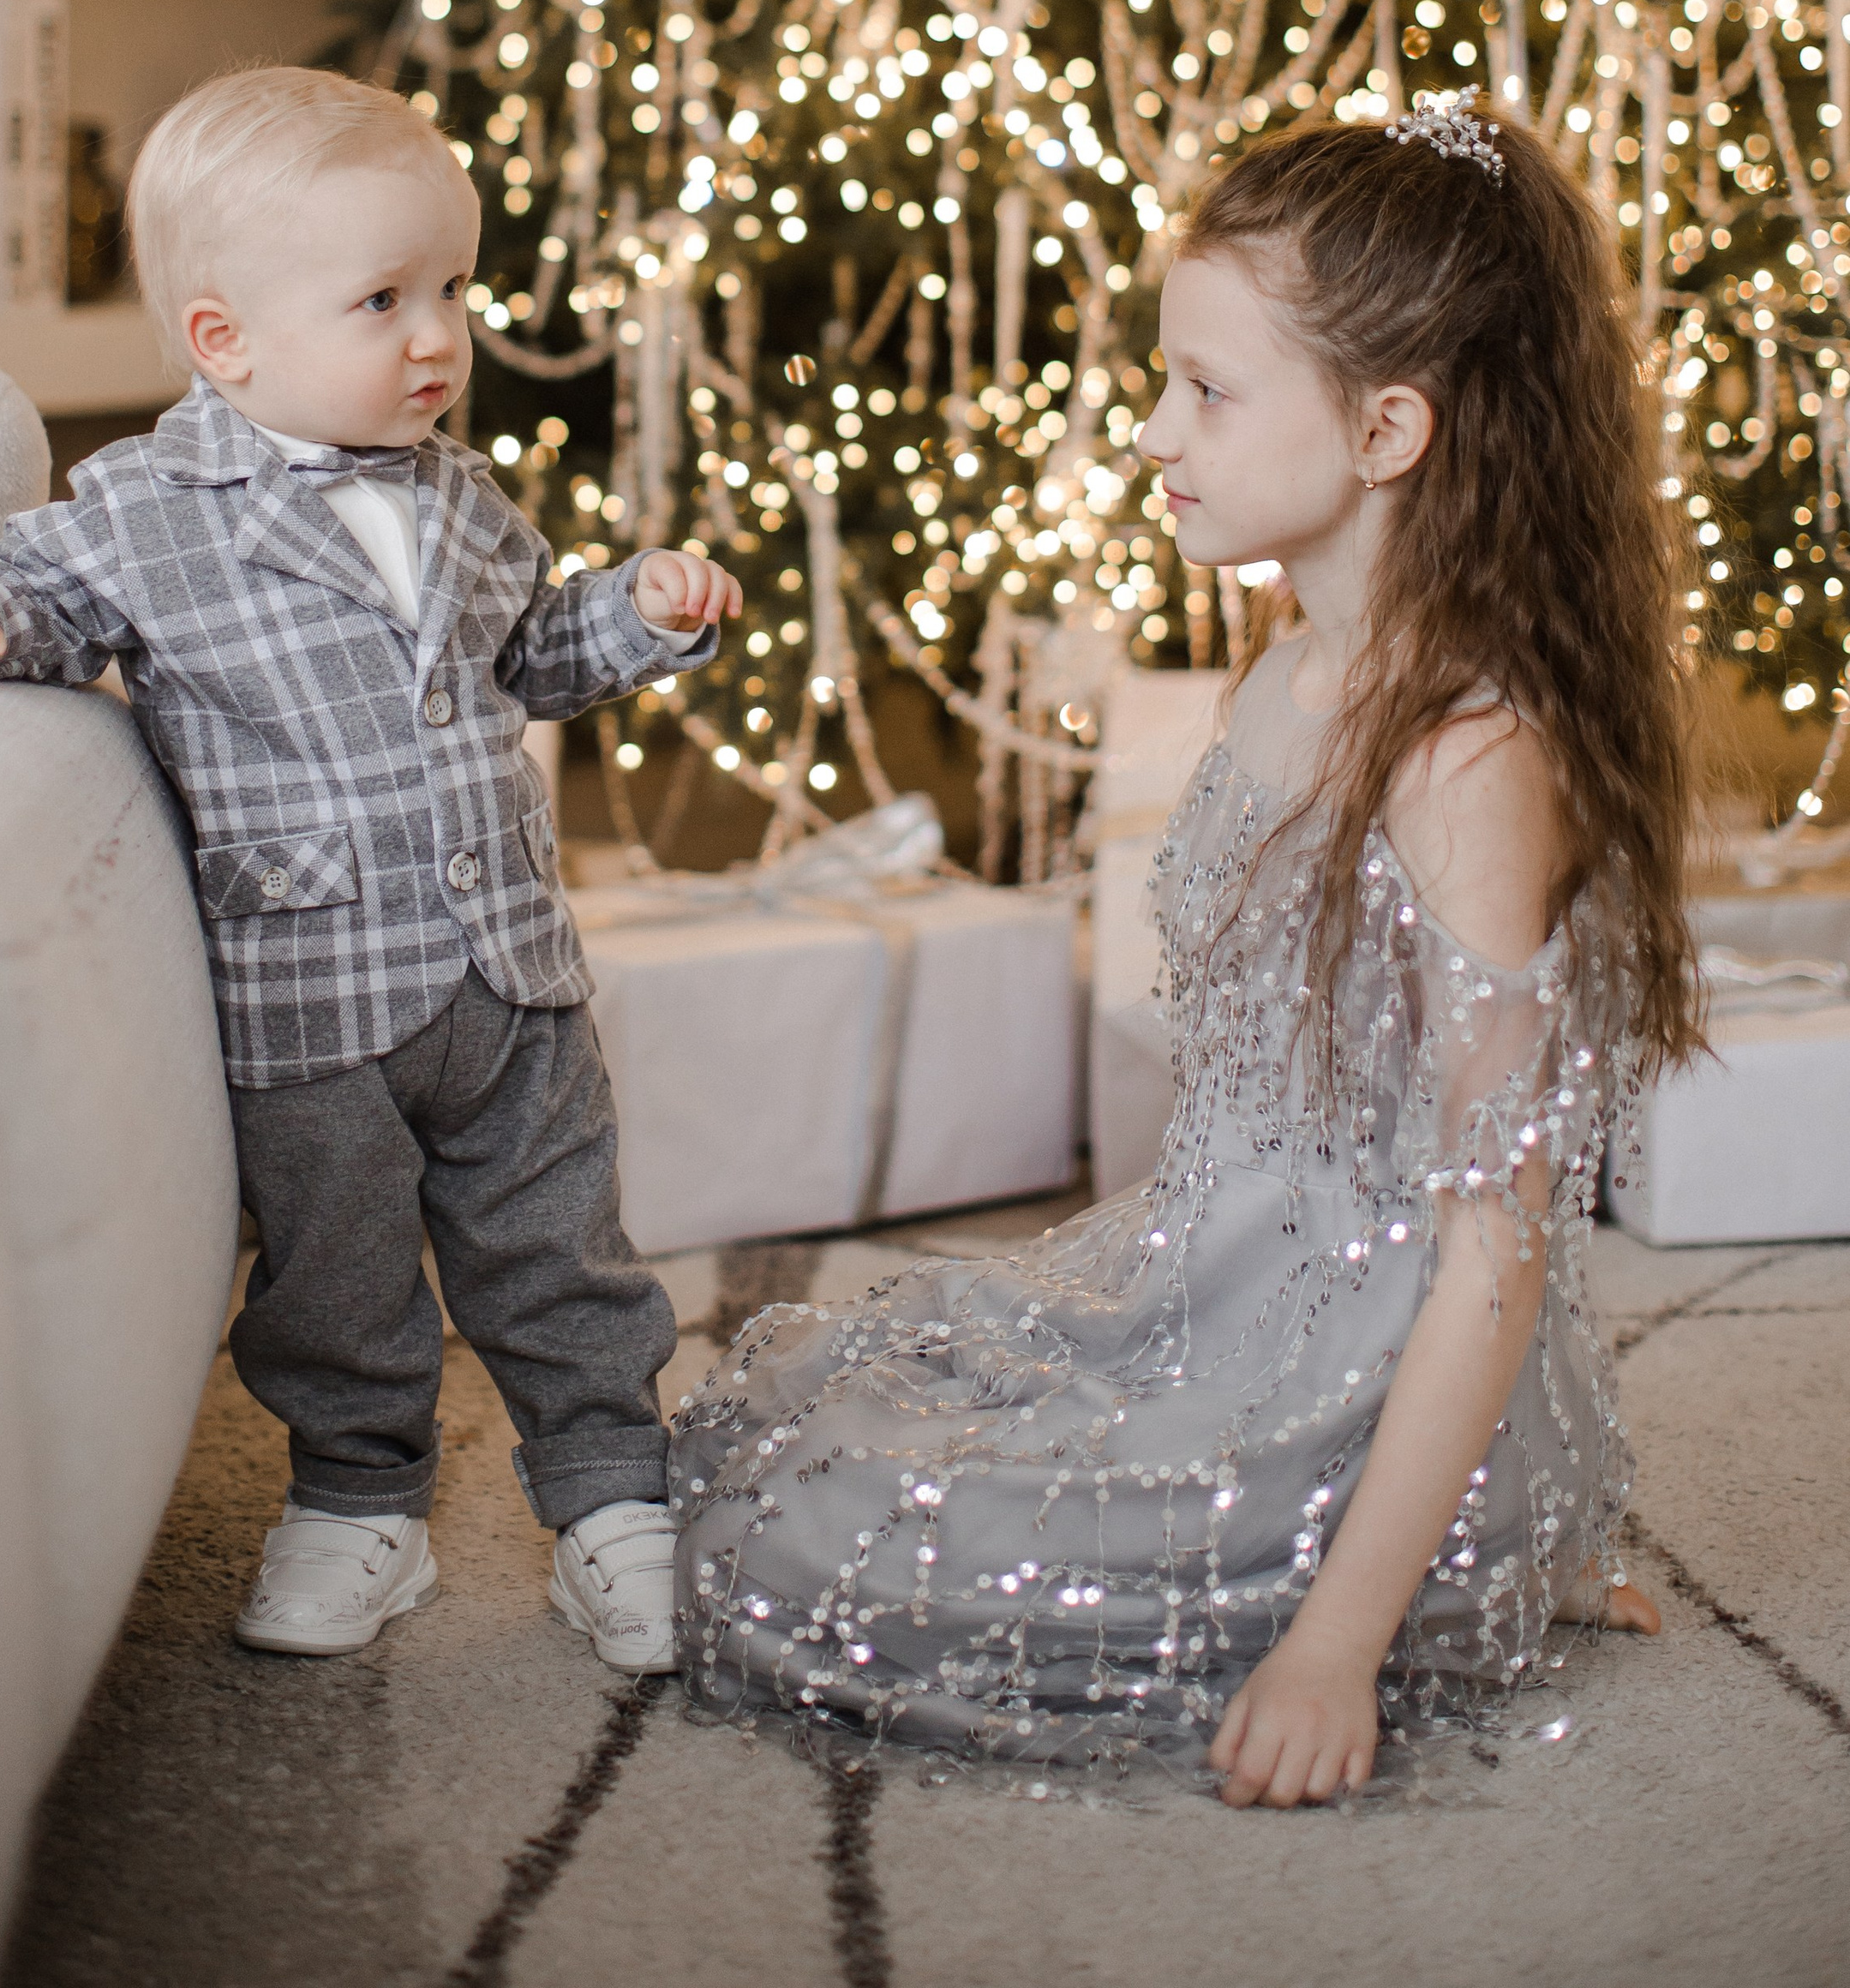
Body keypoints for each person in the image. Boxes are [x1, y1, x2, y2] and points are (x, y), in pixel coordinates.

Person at [670, 95, 1703, 1804]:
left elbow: (1492, 1253)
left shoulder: (1462, 765)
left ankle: (1461, 1550)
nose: (1150, 436)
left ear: (1385, 430)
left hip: (1367, 1377)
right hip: (1218, 1275)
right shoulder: (1290, 655)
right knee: (794, 1433)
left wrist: (1332, 1645)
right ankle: (1477, 1550)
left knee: (831, 1561)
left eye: (1204, 394)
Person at [0, 66, 738, 1670]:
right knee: (337, 1287)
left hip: (513, 977)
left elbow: (532, 660)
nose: (439, 336)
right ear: (227, 341)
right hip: (311, 995)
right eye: (383, 300)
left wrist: (639, 615)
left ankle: (614, 1496)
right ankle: (358, 1506)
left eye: (454, 290)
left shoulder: (469, 502)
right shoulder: (150, 509)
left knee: (561, 1251)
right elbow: (38, 598)